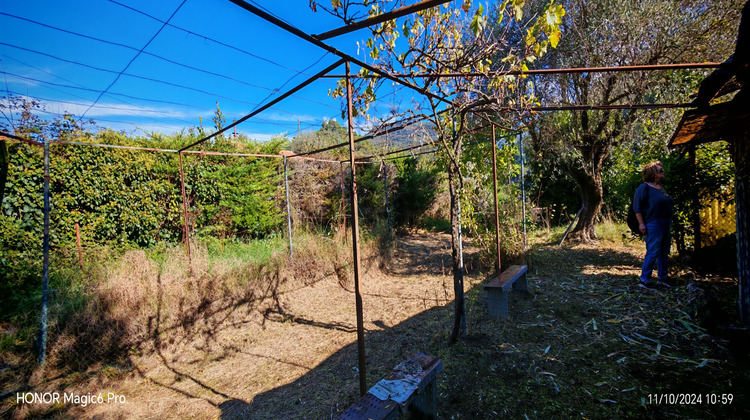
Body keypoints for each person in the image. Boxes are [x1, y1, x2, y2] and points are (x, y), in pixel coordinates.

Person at [633, 161, 674, 289]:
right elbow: (637, 207)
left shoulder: (661, 188)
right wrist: (641, 224)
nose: (662, 171)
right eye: (659, 169)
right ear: (653, 173)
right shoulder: (644, 187)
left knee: (664, 252)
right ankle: (644, 280)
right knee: (653, 251)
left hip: (665, 222)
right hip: (653, 223)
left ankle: (663, 277)